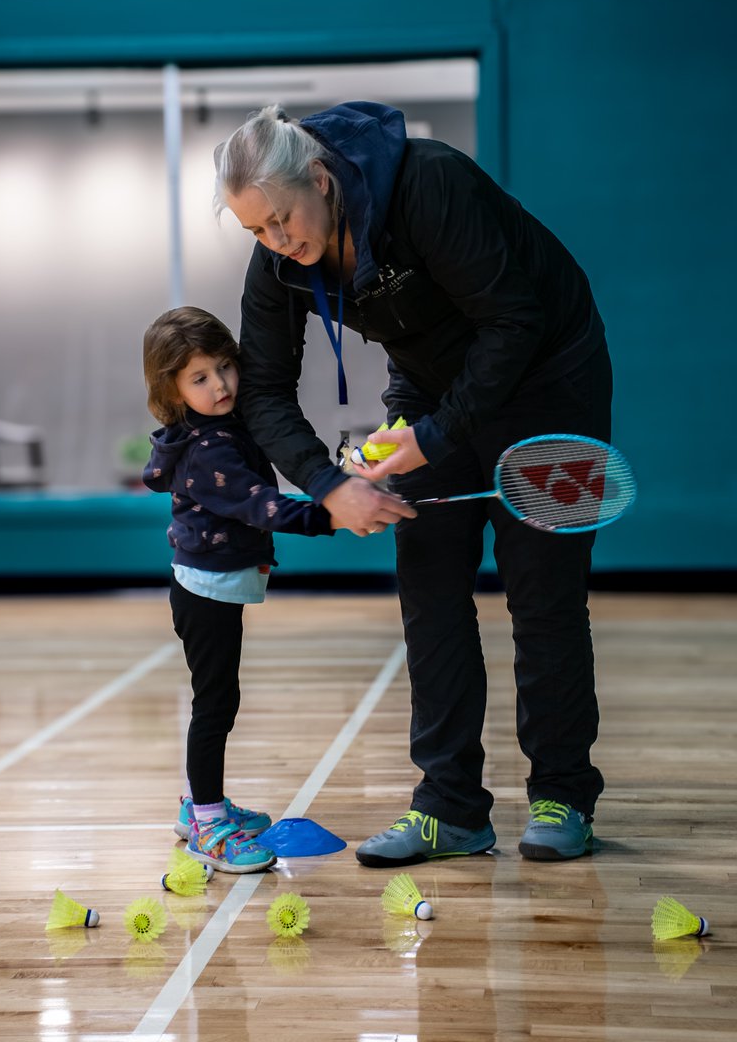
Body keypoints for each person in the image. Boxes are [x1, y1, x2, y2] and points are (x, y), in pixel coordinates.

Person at [213, 102, 613, 866]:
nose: (276, 244)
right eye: (255, 231)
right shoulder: (279, 260)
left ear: (321, 181)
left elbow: (513, 324)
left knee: (543, 592)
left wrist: (429, 439)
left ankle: (563, 793)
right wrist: (332, 484)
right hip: (432, 389)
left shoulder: (430, 184)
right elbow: (262, 387)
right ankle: (450, 808)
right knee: (428, 586)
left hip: (551, 375)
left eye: (281, 220)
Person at [142, 306, 335, 872]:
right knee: (215, 704)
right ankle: (206, 822)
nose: (221, 384)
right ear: (172, 390)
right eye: (200, 378)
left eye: (224, 367)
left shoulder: (221, 427)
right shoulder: (208, 452)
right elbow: (261, 504)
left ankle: (202, 805)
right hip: (206, 593)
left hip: (214, 582)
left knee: (218, 699)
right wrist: (332, 514)